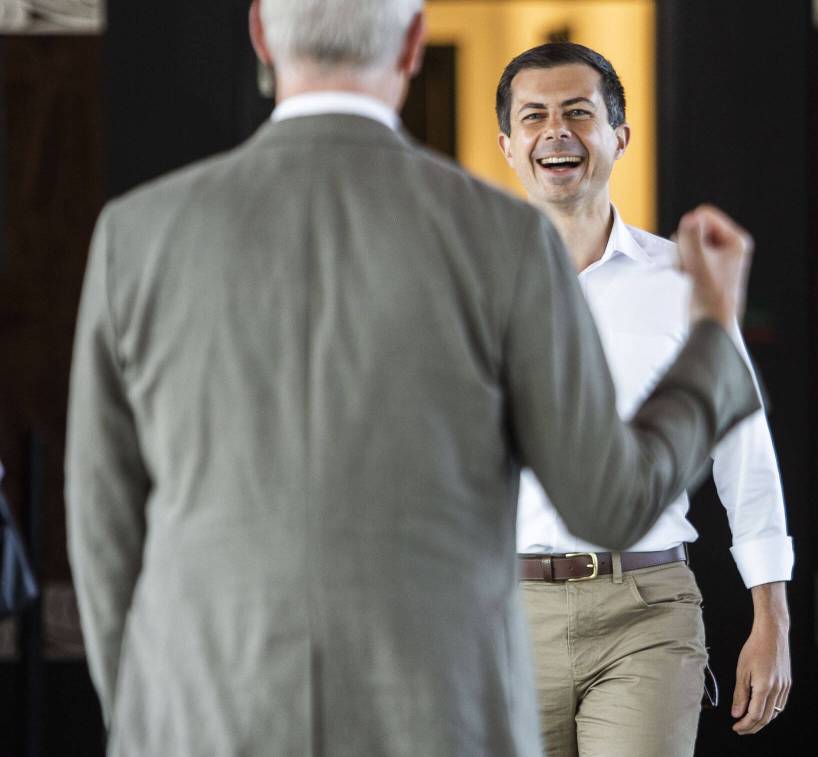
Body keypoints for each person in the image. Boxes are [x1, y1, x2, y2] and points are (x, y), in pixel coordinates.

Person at [64, 2, 762, 755]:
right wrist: (713, 332)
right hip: (434, 717)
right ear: (413, 44)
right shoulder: (504, 238)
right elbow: (613, 498)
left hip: (199, 713)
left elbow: (103, 523)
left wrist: (142, 706)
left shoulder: (135, 236)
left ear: (261, 33)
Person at [495, 43, 794, 756]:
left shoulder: (684, 280)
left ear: (619, 136)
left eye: (578, 113)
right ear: (507, 146)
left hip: (645, 608)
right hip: (502, 611)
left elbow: (743, 448)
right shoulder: (472, 288)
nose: (555, 132)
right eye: (533, 117)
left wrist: (771, 614)